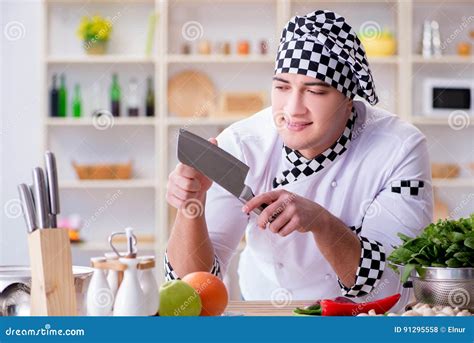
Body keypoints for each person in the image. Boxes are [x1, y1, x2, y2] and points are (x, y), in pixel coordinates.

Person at [165, 10, 433, 306]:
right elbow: (193, 289)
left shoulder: (398, 148)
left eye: (315, 91)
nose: (292, 110)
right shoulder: (242, 144)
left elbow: (392, 283)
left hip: (361, 314)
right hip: (264, 308)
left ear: (348, 100)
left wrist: (322, 222)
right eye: (282, 87)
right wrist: (192, 205)